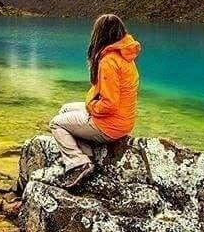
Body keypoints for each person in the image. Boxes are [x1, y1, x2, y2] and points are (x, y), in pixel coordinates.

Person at [49, 14, 141, 188]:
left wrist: (91, 107)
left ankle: (79, 163)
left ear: (101, 34)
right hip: (123, 121)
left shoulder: (109, 61)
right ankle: (87, 154)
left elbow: (109, 104)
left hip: (109, 125)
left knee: (56, 124)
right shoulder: (125, 56)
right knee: (65, 109)